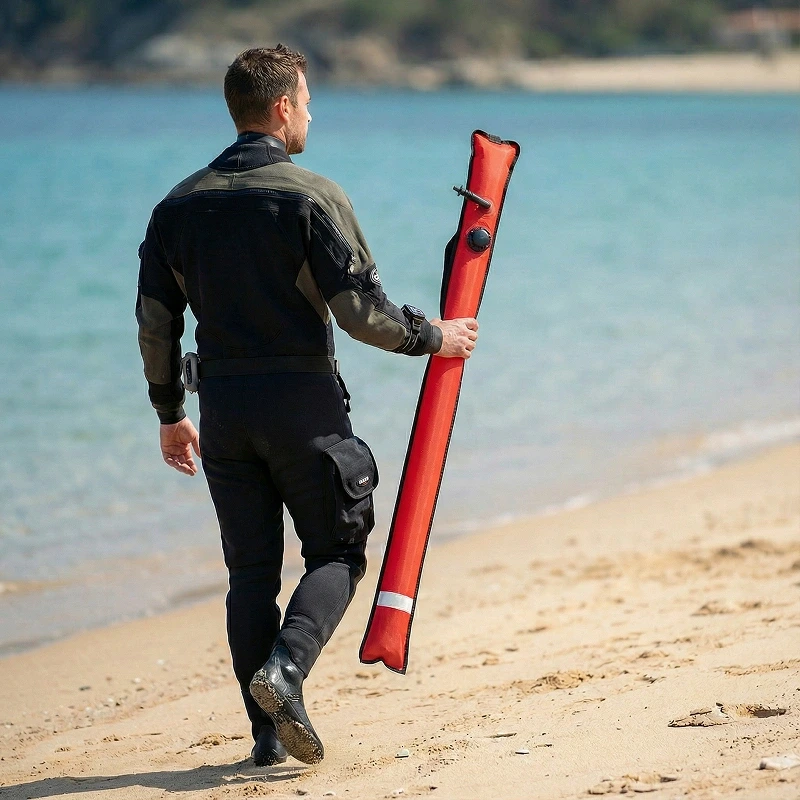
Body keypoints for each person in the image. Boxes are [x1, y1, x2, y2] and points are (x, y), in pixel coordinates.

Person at [136, 44, 478, 767]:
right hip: (304, 409)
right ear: (283, 106)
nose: (311, 116)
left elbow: (155, 323)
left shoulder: (175, 207)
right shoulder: (311, 196)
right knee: (338, 552)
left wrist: (169, 414)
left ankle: (264, 738)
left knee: (250, 577)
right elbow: (362, 314)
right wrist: (435, 337)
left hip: (223, 411)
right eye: (309, 103)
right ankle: (287, 670)